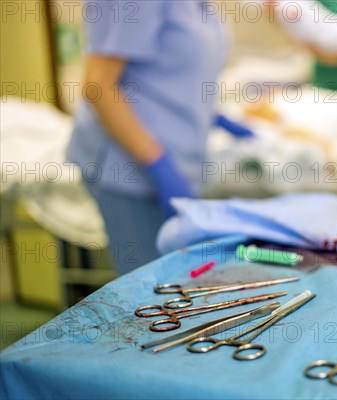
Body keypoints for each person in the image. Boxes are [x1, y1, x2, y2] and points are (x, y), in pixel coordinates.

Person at [67, 1, 229, 275]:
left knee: (181, 287)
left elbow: (170, 70)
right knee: (152, 293)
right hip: (128, 168)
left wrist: (212, 116)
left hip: (177, 160)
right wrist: (159, 165)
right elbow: (98, 87)